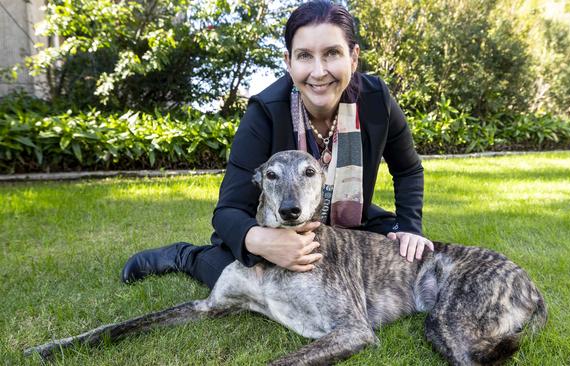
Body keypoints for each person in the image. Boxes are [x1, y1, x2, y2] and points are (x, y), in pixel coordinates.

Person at [121, 0, 431, 288]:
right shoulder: (265, 110)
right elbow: (229, 210)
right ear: (288, 61)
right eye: (305, 55)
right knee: (240, 277)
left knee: (404, 252)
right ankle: (185, 256)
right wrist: (263, 242)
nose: (319, 71)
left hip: (347, 222)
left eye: (332, 54)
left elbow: (408, 169)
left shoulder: (376, 99)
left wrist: (409, 226)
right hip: (275, 223)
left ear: (353, 57)